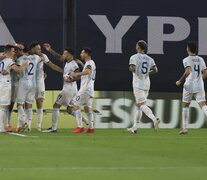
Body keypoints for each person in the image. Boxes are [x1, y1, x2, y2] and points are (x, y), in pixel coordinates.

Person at [29, 42, 63, 131]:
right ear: (32, 49)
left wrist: (63, 71)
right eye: (38, 49)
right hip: (29, 82)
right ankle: (27, 125)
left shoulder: (44, 56)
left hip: (40, 82)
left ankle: (38, 126)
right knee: (27, 104)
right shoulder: (28, 57)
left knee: (39, 103)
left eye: (40, 48)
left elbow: (52, 65)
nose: (40, 50)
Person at [127, 40, 160, 134]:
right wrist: (146, 73)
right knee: (138, 105)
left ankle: (154, 119)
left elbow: (132, 68)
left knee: (141, 105)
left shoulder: (133, 57)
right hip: (147, 83)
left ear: (138, 47)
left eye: (136, 44)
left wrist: (132, 69)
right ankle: (135, 127)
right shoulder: (150, 58)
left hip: (138, 84)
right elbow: (156, 70)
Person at [176, 41, 207, 135]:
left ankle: (185, 128)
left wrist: (180, 81)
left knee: (185, 105)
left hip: (188, 85)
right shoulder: (201, 59)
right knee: (203, 105)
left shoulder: (186, 59)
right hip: (199, 85)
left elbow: (187, 71)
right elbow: (205, 72)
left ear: (188, 49)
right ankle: (184, 129)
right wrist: (199, 80)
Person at [0, 45, 28, 133]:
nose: (14, 52)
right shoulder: (8, 60)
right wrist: (24, 66)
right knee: (4, 106)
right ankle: (1, 127)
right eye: (12, 51)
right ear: (8, 52)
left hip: (2, 83)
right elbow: (17, 69)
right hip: (5, 84)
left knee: (4, 106)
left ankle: (3, 126)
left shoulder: (2, 60)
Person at [70, 47, 96, 133]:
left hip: (85, 89)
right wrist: (81, 63)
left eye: (82, 53)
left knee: (75, 105)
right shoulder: (90, 63)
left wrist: (76, 74)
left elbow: (88, 72)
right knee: (87, 108)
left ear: (86, 54)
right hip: (90, 89)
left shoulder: (89, 63)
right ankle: (91, 128)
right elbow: (88, 70)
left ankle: (80, 127)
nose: (81, 54)